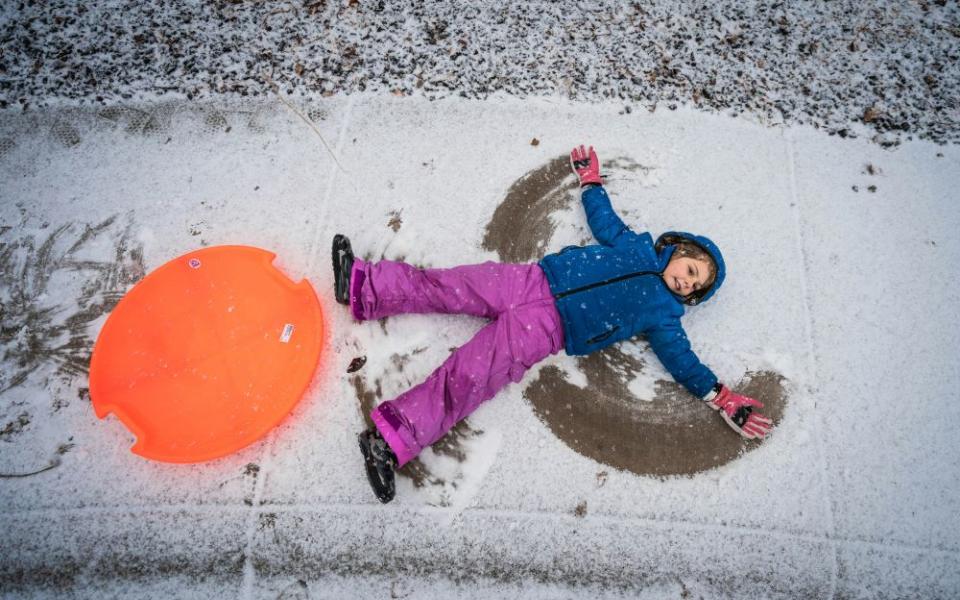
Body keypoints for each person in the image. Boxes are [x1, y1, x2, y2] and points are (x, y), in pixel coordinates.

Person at [333, 145, 772, 504]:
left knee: (468, 376)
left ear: (690, 298)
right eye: (690, 267)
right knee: (451, 284)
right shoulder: (635, 246)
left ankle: (390, 444)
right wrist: (591, 182)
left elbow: (682, 361)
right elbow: (606, 221)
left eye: (693, 284)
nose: (685, 278)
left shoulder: (664, 315)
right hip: (531, 280)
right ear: (677, 248)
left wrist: (722, 396)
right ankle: (363, 286)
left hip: (546, 330)